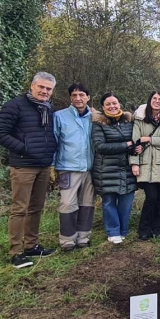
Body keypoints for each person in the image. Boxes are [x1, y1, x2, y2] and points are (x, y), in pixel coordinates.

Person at [0, 72, 59, 269]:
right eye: (41, 87)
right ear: (32, 86)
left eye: (48, 89)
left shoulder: (48, 108)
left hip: (44, 165)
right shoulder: (16, 106)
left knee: (36, 207)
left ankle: (31, 245)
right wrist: (23, 148)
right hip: (23, 166)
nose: (44, 91)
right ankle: (15, 252)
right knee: (19, 209)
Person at [52, 83, 95, 252]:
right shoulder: (60, 116)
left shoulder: (94, 116)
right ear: (70, 98)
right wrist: (52, 166)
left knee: (87, 203)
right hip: (67, 167)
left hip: (89, 168)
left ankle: (83, 236)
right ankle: (67, 239)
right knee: (67, 203)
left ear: (88, 97)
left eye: (82, 95)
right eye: (75, 95)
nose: (78, 98)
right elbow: (54, 142)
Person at [90, 93, 137, 245]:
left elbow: (135, 141)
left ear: (119, 104)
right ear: (103, 107)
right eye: (108, 104)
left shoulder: (128, 121)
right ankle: (113, 231)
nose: (112, 106)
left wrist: (135, 148)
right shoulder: (98, 123)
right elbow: (100, 146)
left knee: (126, 202)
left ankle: (123, 230)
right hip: (106, 170)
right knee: (109, 202)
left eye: (114, 103)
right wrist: (126, 145)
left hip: (126, 169)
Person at [131, 91, 160, 240]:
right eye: (154, 98)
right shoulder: (139, 120)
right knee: (151, 197)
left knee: (159, 198)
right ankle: (144, 229)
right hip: (146, 164)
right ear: (150, 100)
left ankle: (156, 228)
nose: (157, 101)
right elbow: (135, 141)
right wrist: (134, 164)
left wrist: (149, 140)